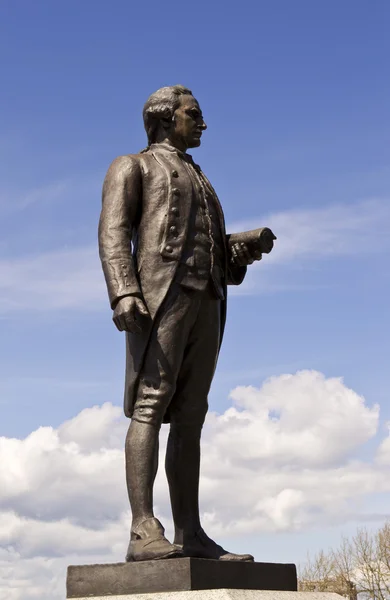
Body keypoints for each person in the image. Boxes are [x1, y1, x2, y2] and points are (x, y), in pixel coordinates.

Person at [99, 85, 264, 562]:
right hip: (159, 298)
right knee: (151, 403)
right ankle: (143, 530)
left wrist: (238, 250)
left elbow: (206, 239)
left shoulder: (201, 175)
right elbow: (113, 232)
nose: (203, 123)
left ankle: (190, 532)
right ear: (165, 118)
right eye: (194, 114)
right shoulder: (131, 166)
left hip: (207, 295)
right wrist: (124, 290)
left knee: (192, 413)